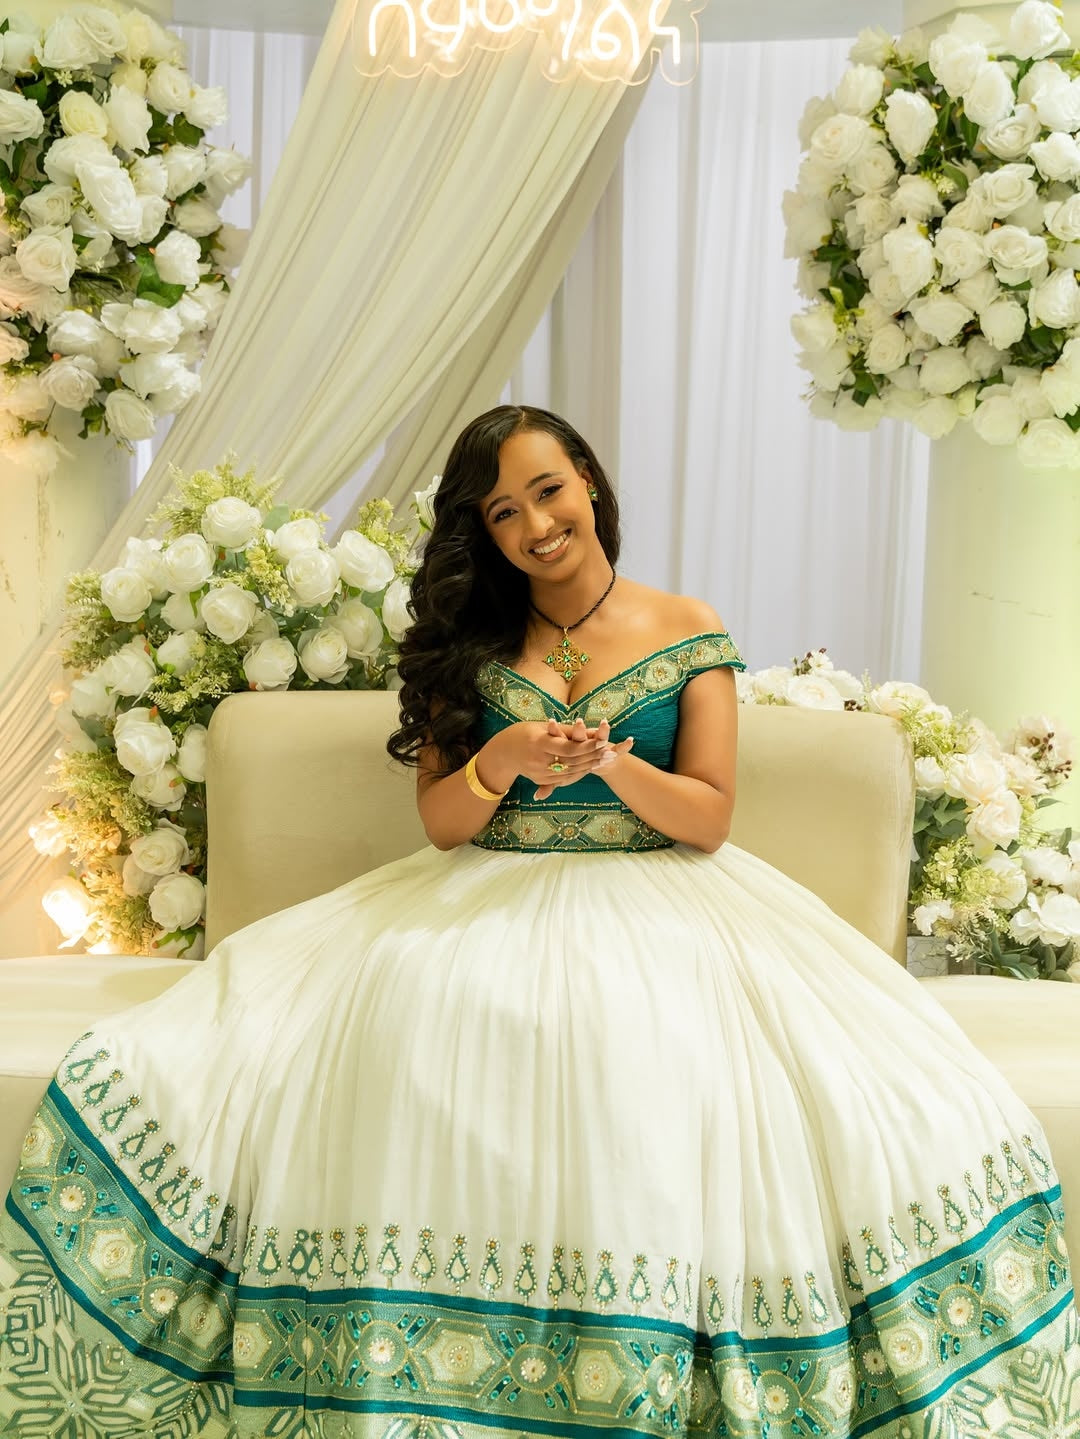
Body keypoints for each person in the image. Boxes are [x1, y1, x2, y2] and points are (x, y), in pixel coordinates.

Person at [0, 405, 1076, 1437]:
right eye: (501, 513)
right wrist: (500, 761)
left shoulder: (687, 625)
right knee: (430, 1003)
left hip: (667, 891)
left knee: (676, 1047)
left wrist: (613, 766)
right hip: (491, 883)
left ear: (592, 485)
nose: (534, 524)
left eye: (547, 491)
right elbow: (441, 823)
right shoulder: (471, 642)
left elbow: (707, 816)